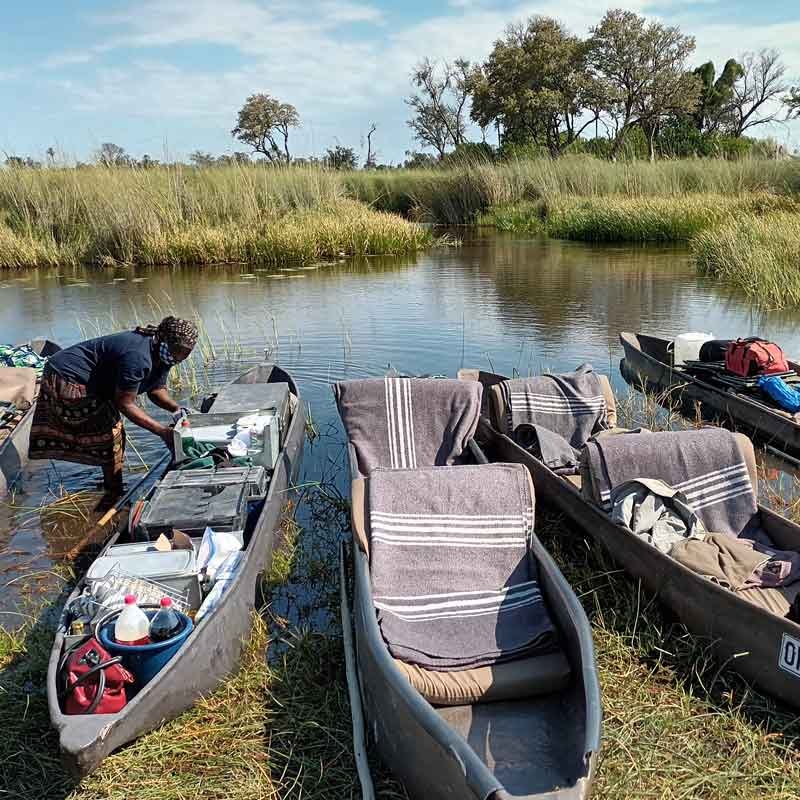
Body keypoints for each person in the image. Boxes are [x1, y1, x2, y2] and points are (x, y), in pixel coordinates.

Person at [29, 316, 199, 497]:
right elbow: (125, 403)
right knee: (110, 436)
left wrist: (176, 409)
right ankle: (114, 490)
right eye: (177, 351)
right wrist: (162, 432)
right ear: (164, 340)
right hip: (69, 377)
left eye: (185, 353)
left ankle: (112, 486)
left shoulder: (163, 353)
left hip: (94, 383)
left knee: (112, 435)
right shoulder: (138, 356)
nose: (179, 357)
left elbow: (156, 389)